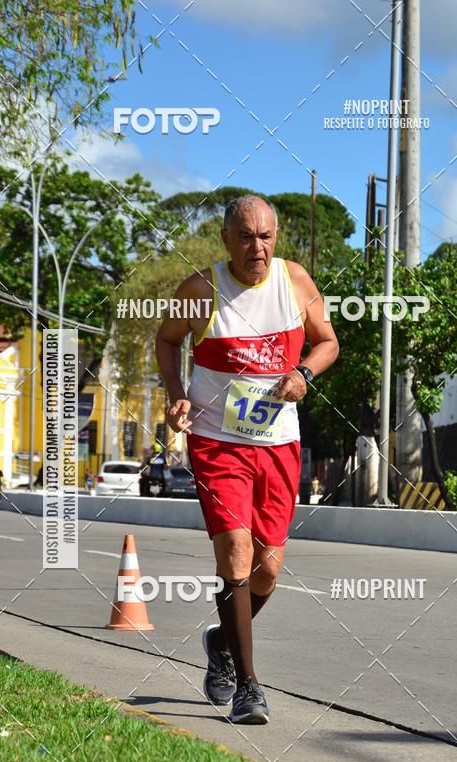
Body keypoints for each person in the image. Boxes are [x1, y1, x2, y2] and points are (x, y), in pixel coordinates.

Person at [155, 195, 339, 724]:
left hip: (278, 442)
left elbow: (328, 342)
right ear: (225, 239)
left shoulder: (296, 282)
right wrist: (176, 392)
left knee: (267, 573)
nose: (256, 247)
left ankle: (221, 641)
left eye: (265, 236)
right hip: (217, 441)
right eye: (245, 237)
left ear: (275, 238)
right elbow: (167, 341)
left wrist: (304, 373)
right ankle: (249, 689)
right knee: (235, 553)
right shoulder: (201, 290)